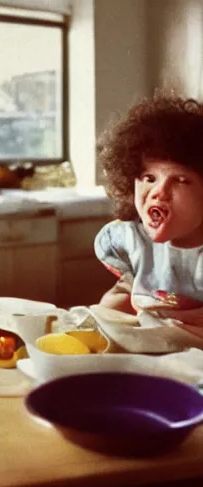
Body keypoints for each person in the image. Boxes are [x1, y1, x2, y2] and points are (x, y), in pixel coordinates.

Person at [95, 93, 203, 336]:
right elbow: (128, 291)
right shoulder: (133, 241)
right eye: (149, 178)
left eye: (181, 180)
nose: (159, 192)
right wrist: (106, 313)